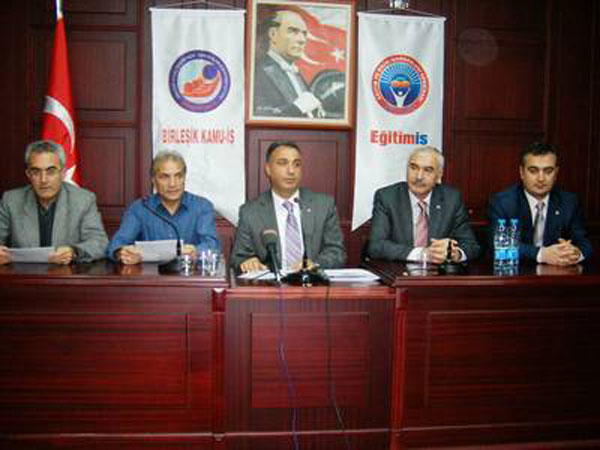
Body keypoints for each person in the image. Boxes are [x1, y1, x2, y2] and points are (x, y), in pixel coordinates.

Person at [231, 141, 345, 273]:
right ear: (268, 169)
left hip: (312, 281)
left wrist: (315, 265)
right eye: (283, 163)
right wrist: (248, 262)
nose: (291, 171)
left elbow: (336, 252)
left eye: (296, 164)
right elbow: (239, 257)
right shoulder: (250, 212)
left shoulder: (323, 206)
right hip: (271, 283)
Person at [0, 140, 108, 265]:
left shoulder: (83, 200)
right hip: (23, 273)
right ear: (28, 174)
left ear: (63, 173)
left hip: (65, 274)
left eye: (50, 171)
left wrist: (74, 252)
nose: (43, 180)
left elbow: (100, 243)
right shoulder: (11, 200)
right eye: (36, 172)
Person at [367, 146, 480, 264]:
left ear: (439, 175)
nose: (419, 176)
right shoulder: (387, 197)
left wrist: (455, 254)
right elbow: (376, 246)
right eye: (413, 168)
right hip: (397, 271)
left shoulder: (451, 199)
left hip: (437, 273)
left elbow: (471, 246)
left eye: (428, 170)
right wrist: (423, 253)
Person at [487, 141, 592, 265]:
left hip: (559, 271)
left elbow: (584, 243)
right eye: (533, 171)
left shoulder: (569, 202)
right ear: (521, 172)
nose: (541, 178)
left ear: (556, 173)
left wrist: (575, 253)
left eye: (548, 171)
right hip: (518, 272)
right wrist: (542, 254)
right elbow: (497, 246)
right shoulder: (502, 203)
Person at [106, 150, 219, 265]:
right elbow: (115, 245)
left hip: (188, 273)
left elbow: (212, 246)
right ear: (153, 180)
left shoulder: (202, 207)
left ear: (184, 177)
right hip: (150, 275)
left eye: (178, 176)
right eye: (165, 177)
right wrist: (122, 253)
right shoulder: (140, 208)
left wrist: (195, 252)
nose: (172, 184)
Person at [253, 10, 324, 118]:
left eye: (304, 34)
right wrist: (296, 108)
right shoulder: (257, 70)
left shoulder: (295, 73)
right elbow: (255, 114)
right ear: (273, 34)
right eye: (293, 31)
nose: (302, 40)